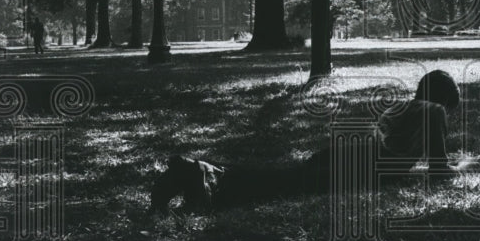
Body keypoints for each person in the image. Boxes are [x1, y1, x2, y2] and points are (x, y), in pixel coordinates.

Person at [150, 70, 464, 213]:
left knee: (284, 177)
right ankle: (202, 175)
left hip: (356, 154)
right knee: (282, 185)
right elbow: (438, 170)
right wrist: (464, 167)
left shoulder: (411, 108)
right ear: (444, 100)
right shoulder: (434, 111)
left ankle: (203, 172)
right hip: (364, 165)